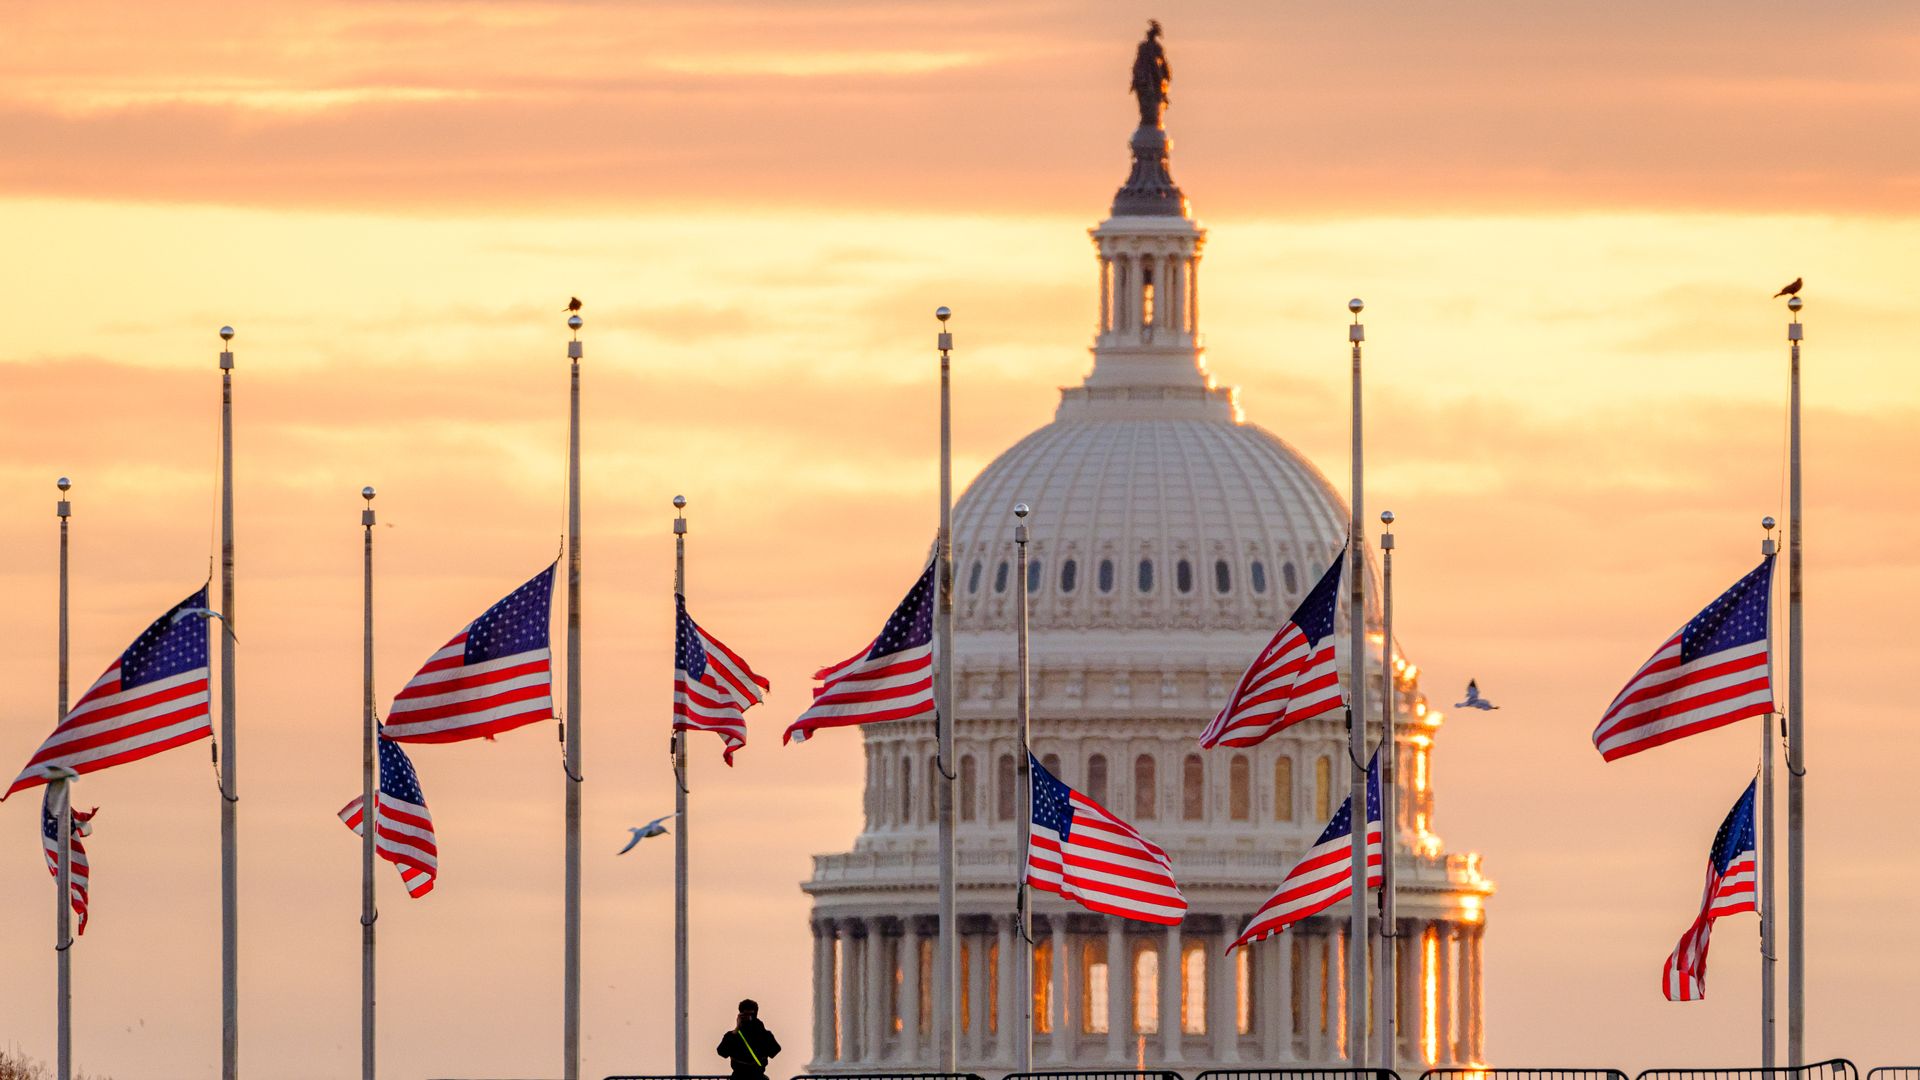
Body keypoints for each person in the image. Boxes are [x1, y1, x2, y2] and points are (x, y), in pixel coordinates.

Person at [716, 998, 781, 1080]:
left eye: (750, 1015)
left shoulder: (764, 1034)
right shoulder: (733, 1035)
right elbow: (722, 1052)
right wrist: (737, 1029)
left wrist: (759, 1028)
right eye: (745, 1015)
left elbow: (775, 1050)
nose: (748, 1018)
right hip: (739, 1077)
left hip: (757, 1077)